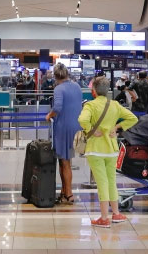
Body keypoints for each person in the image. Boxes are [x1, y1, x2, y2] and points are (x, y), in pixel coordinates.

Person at [78, 76, 138, 228]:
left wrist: (91, 129)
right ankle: (116, 213)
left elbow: (82, 120)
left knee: (102, 182)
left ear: (94, 91)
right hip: (111, 148)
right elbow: (132, 118)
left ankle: (104, 217)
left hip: (96, 149)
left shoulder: (90, 106)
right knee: (111, 180)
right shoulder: (115, 105)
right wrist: (117, 128)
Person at [44, 63, 82, 205]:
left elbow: (58, 107)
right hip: (76, 126)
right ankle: (64, 192)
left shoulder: (59, 89)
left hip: (63, 127)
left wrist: (49, 115)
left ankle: (69, 194)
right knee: (66, 161)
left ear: (55, 76)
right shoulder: (77, 86)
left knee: (64, 162)